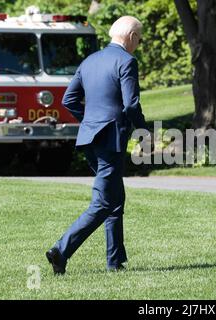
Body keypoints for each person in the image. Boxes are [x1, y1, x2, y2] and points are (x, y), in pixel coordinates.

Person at [45, 16, 147, 274]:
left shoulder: (89, 61)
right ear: (132, 36)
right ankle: (61, 250)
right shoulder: (127, 61)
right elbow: (131, 105)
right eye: (140, 39)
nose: (139, 44)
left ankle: (115, 261)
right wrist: (145, 131)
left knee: (114, 198)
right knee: (103, 203)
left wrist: (90, 121)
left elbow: (69, 100)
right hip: (109, 141)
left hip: (89, 139)